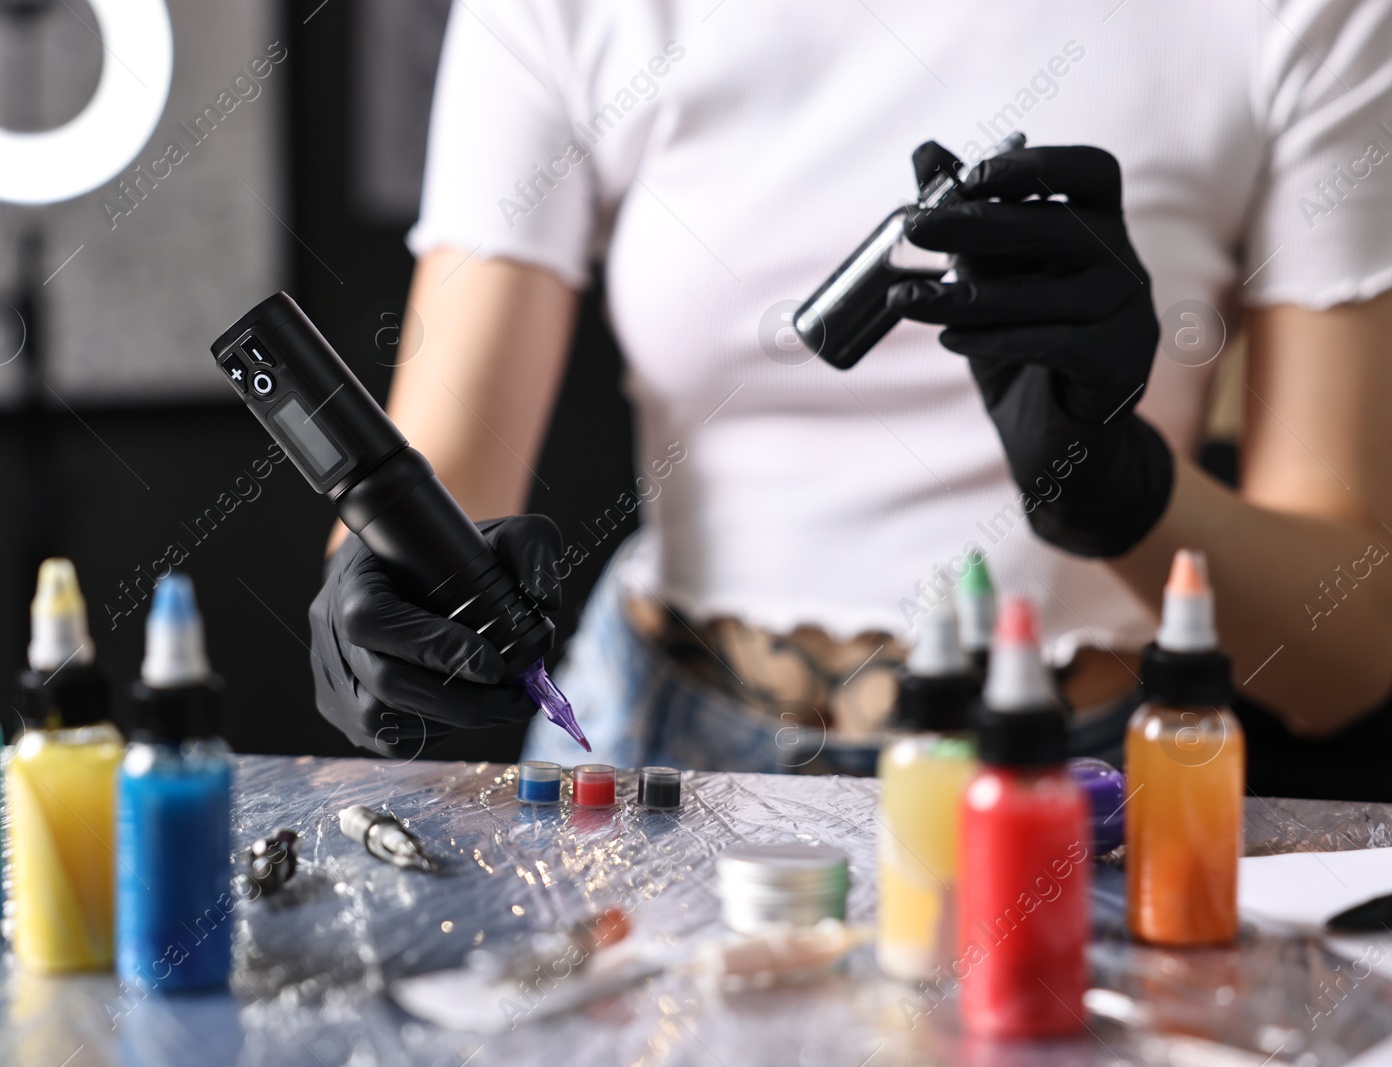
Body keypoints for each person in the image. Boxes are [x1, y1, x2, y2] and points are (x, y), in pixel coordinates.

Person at [308, 0, 1392, 799]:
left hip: (1065, 780)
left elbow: (1345, 660)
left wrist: (1123, 497)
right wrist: (390, 596)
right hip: (651, 753)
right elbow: (443, 466)